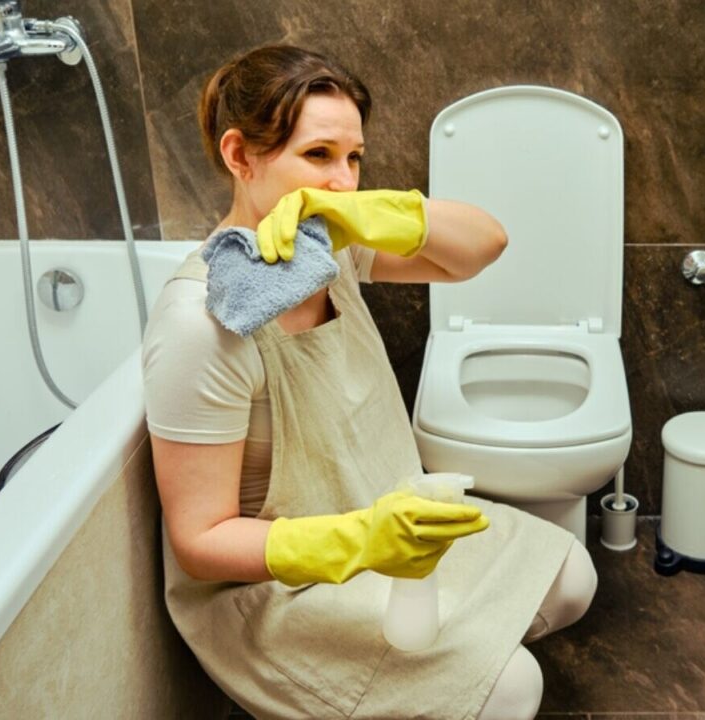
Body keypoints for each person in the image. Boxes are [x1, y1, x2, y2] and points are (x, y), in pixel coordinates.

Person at [141, 44, 597, 720]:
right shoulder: (200, 322)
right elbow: (199, 543)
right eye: (319, 156)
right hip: (278, 590)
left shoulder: (334, 249)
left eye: (354, 159)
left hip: (385, 518)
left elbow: (485, 245)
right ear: (241, 157)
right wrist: (357, 543)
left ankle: (420, 685)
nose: (344, 181)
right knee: (514, 689)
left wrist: (379, 215)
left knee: (573, 578)